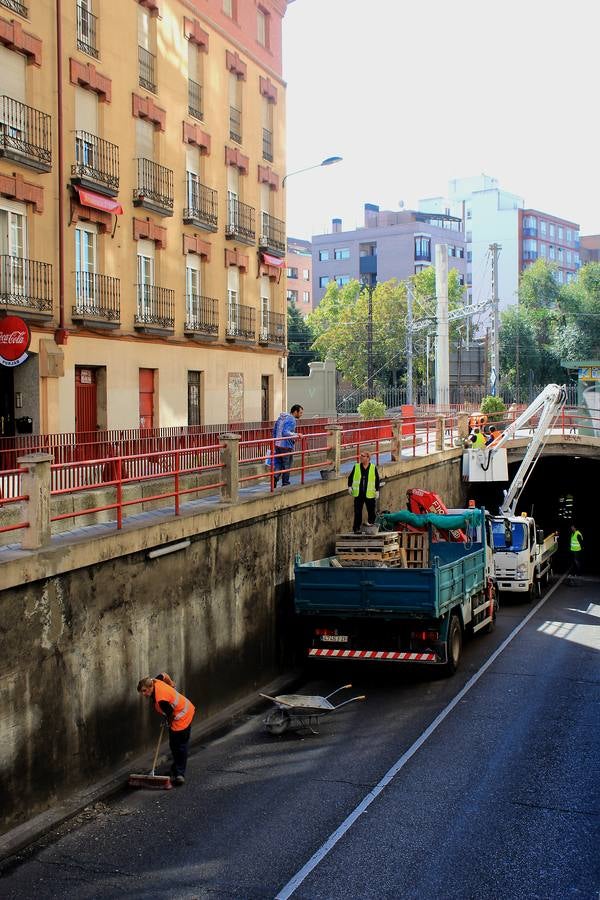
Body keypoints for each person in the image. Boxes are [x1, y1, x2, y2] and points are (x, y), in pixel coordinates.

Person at [137, 672, 195, 785]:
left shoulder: (160, 699)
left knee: (180, 746)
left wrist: (168, 721)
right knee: (174, 746)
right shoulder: (155, 680)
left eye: (144, 691)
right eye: (141, 692)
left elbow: (171, 713)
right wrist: (171, 684)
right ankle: (175, 770)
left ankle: (179, 774)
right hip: (183, 709)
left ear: (150, 686)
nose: (144, 694)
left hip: (182, 717)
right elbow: (163, 675)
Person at [348, 450, 381, 534]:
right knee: (358, 512)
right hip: (359, 494)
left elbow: (377, 480)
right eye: (360, 456)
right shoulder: (356, 467)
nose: (361, 457)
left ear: (368, 458)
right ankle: (356, 528)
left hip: (369, 494)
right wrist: (349, 486)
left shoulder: (373, 467)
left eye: (363, 456)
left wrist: (377, 491)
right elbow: (350, 477)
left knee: (371, 511)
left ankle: (372, 527)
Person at [272, 404, 304, 487]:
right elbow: (285, 432)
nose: (301, 415)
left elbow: (274, 431)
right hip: (286, 446)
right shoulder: (291, 419)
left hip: (277, 444)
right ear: (295, 412)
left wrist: (274, 442)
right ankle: (285, 483)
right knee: (287, 465)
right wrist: (297, 434)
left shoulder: (281, 418)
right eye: (300, 413)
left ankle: (275, 478)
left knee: (278, 463)